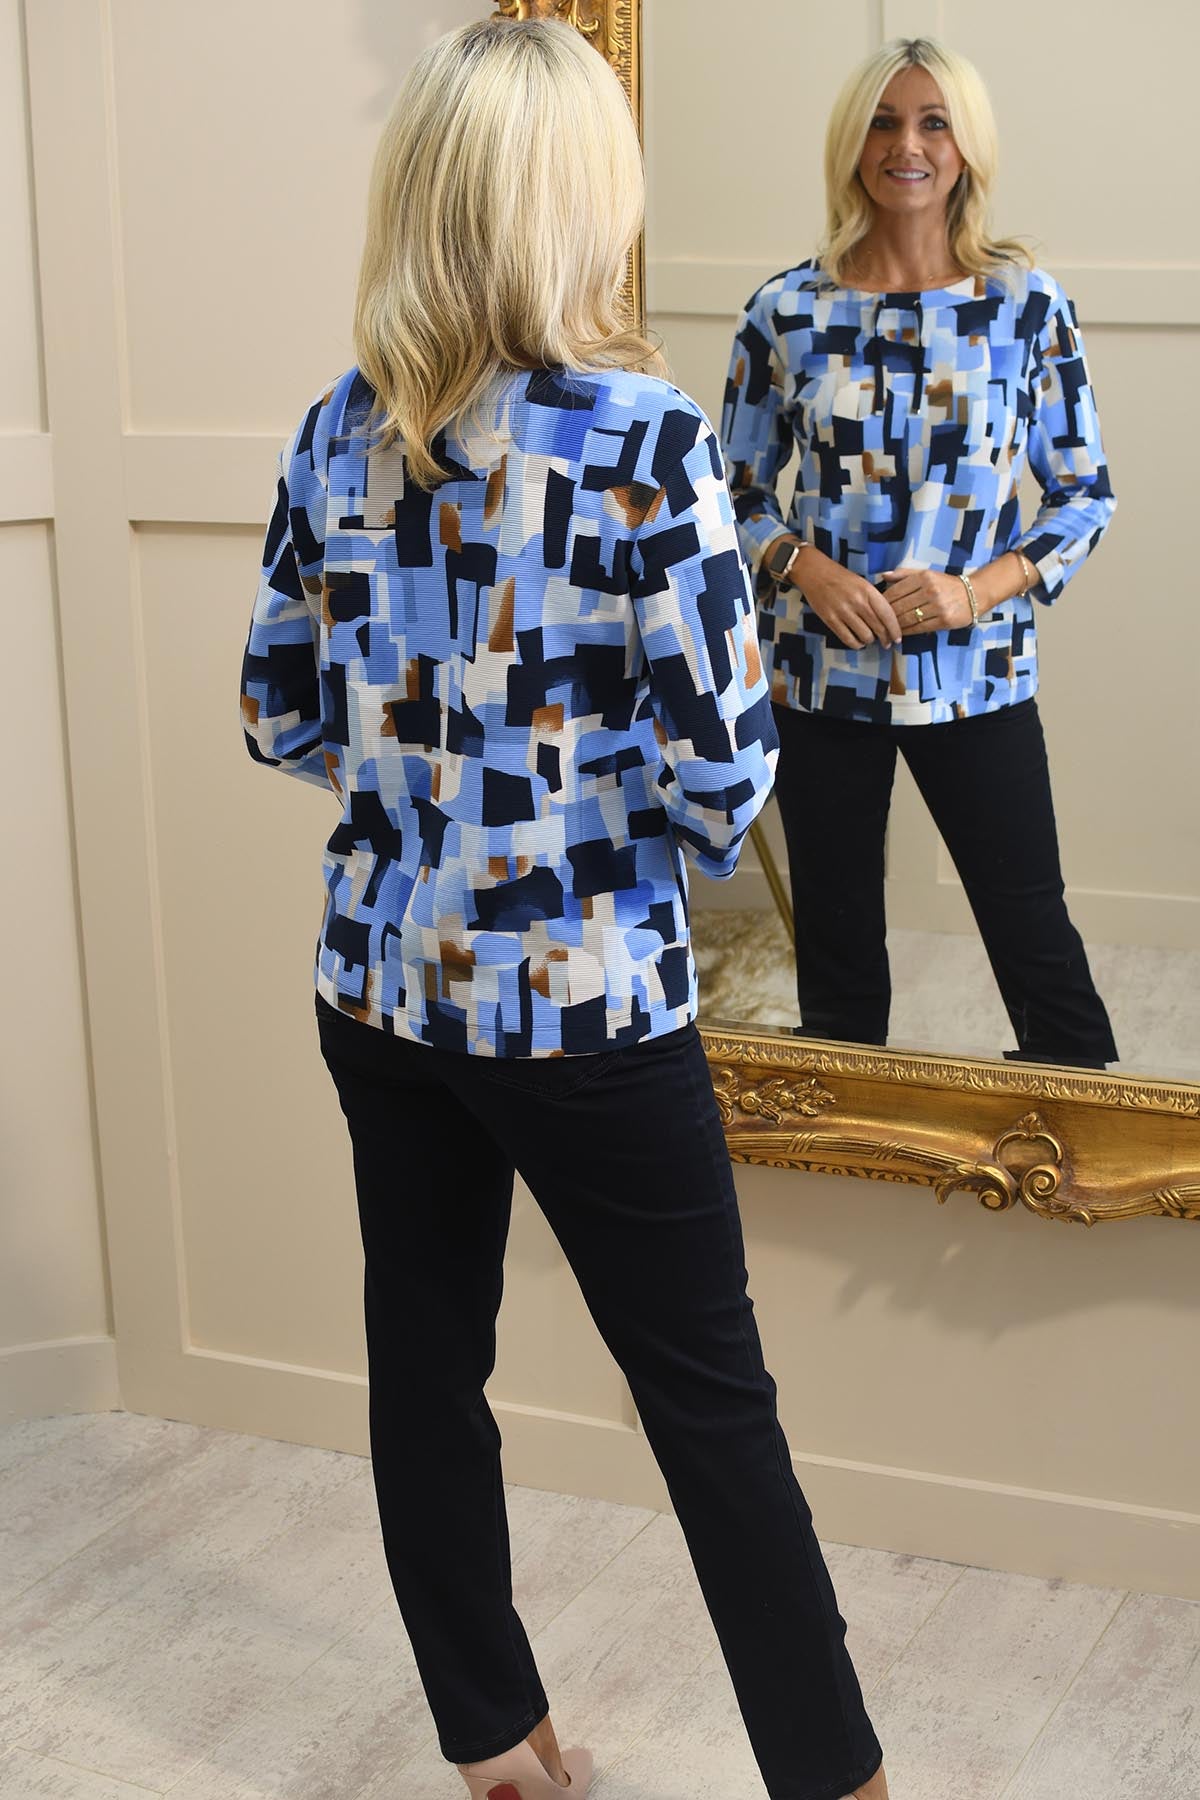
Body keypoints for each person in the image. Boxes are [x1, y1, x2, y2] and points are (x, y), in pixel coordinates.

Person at [241, 18, 888, 1800]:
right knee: (712, 1410)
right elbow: (724, 785)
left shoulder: (334, 431)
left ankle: (496, 1751)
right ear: (577, 198)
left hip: (384, 987)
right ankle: (837, 1782)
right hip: (585, 1003)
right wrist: (581, 814)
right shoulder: (645, 442)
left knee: (424, 1367)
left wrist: (431, 795)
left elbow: (277, 713)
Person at [721, 35, 1118, 1070]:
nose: (908, 145)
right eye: (885, 123)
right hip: (821, 677)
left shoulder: (1027, 307)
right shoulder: (784, 312)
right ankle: (847, 1155)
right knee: (839, 963)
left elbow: (1084, 495)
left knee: (1036, 944)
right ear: (852, 144)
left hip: (977, 674)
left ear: (967, 145)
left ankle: (1085, 1144)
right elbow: (734, 496)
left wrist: (973, 592)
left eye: (934, 122)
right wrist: (803, 566)